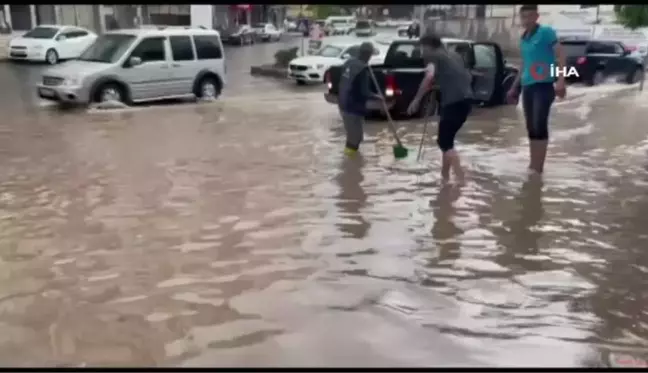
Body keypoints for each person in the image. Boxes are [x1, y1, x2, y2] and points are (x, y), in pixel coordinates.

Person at [506, 4, 566, 176]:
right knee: (531, 127)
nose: (525, 20)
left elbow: (561, 54)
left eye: (529, 16)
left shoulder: (546, 32)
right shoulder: (524, 37)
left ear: (536, 17)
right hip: (527, 86)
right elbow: (524, 64)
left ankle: (539, 167)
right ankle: (533, 165)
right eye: (523, 17)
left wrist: (561, 81)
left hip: (544, 85)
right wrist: (513, 87)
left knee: (540, 124)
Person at [407, 34, 473, 185]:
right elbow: (466, 76)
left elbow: (429, 76)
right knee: (447, 141)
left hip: (453, 102)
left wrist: (417, 99)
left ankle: (461, 178)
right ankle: (445, 177)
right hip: (467, 101)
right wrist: (441, 85)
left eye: (422, 48)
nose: (422, 52)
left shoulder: (432, 56)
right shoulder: (455, 55)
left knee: (443, 141)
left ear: (429, 46)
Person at [338, 42, 376, 156]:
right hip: (353, 107)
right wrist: (377, 96)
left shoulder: (349, 63)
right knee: (355, 138)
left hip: (343, 104)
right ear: (369, 55)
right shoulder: (362, 69)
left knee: (353, 136)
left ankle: (352, 162)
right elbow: (364, 92)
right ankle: (349, 164)